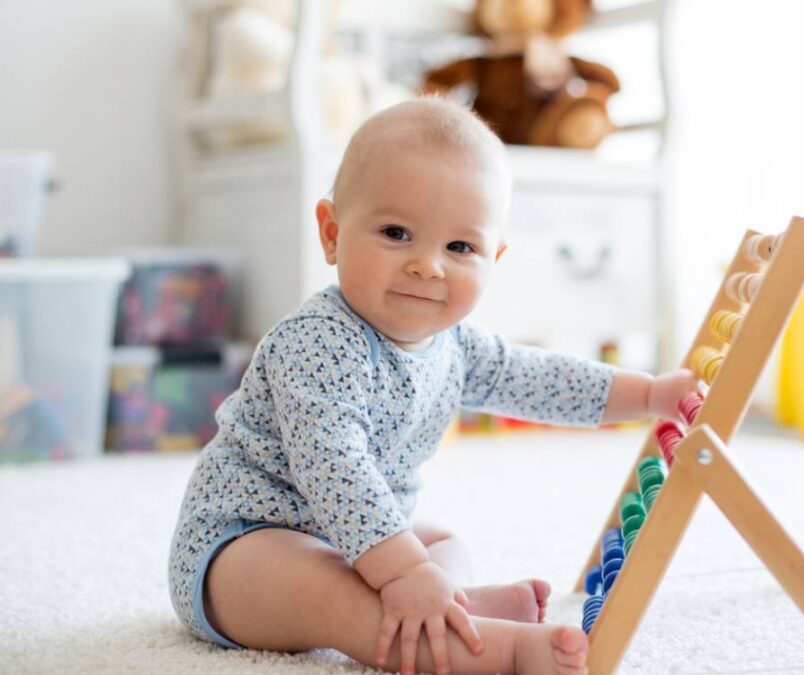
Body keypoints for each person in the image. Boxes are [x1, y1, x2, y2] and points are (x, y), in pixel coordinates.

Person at [167, 96, 698, 675]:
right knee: (330, 593)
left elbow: (540, 380)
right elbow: (334, 469)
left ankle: (454, 608)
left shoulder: (457, 345)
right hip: (239, 548)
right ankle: (503, 652)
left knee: (443, 544)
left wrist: (646, 395)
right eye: (397, 233)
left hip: (353, 538)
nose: (428, 265)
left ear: (493, 257)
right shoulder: (317, 342)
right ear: (332, 233)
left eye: (459, 248)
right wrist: (402, 572)